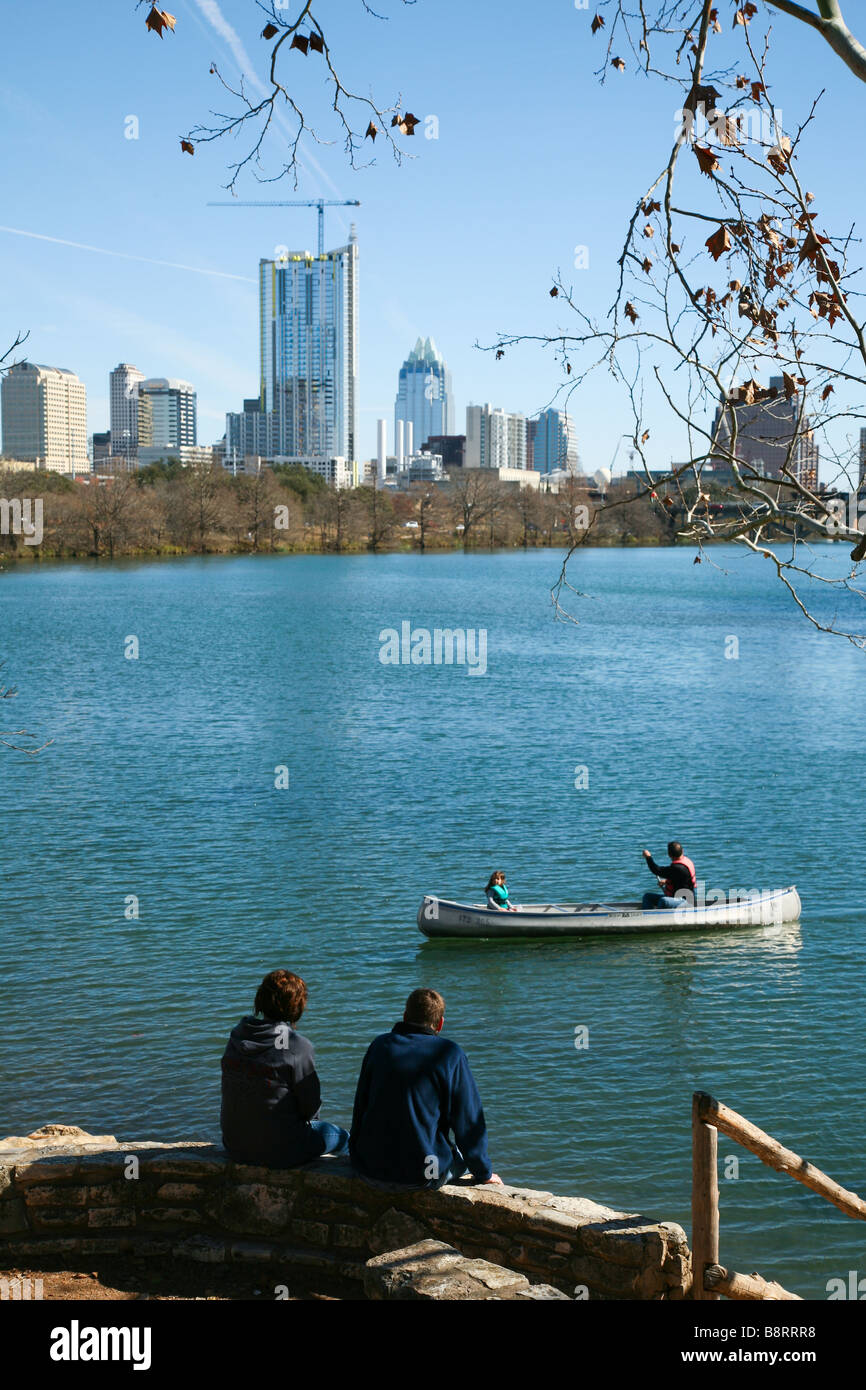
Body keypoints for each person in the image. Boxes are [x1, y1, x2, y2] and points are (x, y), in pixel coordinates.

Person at [349, 987, 502, 1190]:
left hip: (369, 1168)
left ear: (405, 1016)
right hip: (423, 1175)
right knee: (462, 1156)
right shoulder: (450, 1054)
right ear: (440, 1023)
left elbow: (360, 1107)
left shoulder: (379, 1045)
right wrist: (484, 1173)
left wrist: (357, 1155)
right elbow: (468, 1122)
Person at [220, 969, 349, 1168]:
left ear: (260, 999)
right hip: (280, 1152)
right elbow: (310, 1108)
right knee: (344, 1138)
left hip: (234, 1146)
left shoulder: (237, 1036)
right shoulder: (297, 1046)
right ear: (296, 1007)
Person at [642, 841, 697, 910]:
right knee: (647, 897)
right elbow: (683, 879)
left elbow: (656, 870)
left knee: (664, 901)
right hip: (676, 898)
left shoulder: (676, 868)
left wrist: (648, 857)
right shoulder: (686, 862)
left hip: (686, 902)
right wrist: (666, 881)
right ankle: (647, 916)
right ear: (682, 851)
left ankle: (657, 918)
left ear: (669, 855)